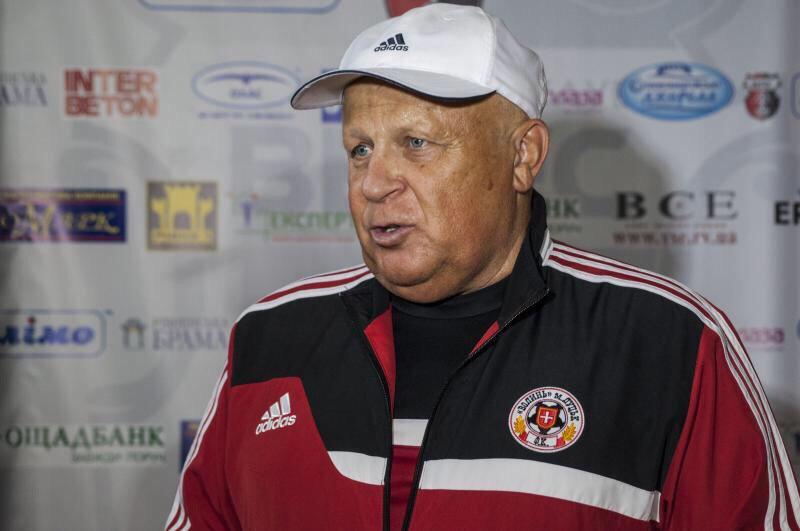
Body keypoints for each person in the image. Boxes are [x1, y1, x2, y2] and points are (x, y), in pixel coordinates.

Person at [166, 4, 800, 530]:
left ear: (523, 156)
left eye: (416, 143)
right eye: (359, 149)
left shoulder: (672, 343)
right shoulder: (270, 337)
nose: (374, 183)